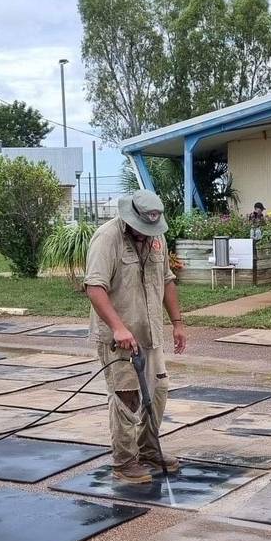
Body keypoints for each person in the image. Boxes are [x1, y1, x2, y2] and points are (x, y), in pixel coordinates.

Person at [84, 189, 187, 484]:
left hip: (150, 333)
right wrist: (118, 327)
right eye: (141, 229)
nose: (146, 235)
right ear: (130, 219)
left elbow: (167, 279)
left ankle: (149, 449)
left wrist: (177, 322)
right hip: (119, 337)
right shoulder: (107, 239)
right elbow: (95, 287)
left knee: (157, 392)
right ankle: (125, 462)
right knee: (127, 397)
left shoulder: (156, 237)